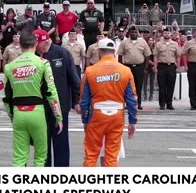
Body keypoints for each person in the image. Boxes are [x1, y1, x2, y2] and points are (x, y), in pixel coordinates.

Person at [3, 32, 63, 167]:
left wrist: (12, 116)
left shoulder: (9, 66)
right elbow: (51, 92)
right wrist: (58, 117)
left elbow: (6, 97)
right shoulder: (43, 63)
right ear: (36, 44)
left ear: (20, 45)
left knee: (19, 158)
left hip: (18, 112)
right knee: (41, 156)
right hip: (37, 112)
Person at [78, 38, 137, 167]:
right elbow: (132, 99)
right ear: (114, 52)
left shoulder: (90, 71)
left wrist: (85, 120)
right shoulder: (125, 71)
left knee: (91, 154)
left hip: (97, 116)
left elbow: (84, 100)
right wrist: (132, 121)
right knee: (111, 156)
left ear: (99, 52)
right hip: (117, 116)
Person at [34, 29, 80, 167]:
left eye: (37, 43)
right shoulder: (33, 55)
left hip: (60, 106)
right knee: (43, 145)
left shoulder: (62, 53)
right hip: (40, 108)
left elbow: (74, 79)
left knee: (61, 144)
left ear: (46, 40)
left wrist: (77, 102)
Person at [118, 26, 152, 110]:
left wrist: (146, 67)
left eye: (135, 32)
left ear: (138, 33)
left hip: (139, 66)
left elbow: (147, 55)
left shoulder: (143, 42)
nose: (134, 33)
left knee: (138, 85)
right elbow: (120, 55)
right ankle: (127, 103)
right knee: (127, 86)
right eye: (132, 32)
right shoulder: (124, 42)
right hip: (127, 67)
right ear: (129, 33)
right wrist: (121, 67)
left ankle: (138, 103)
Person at [153, 27, 181, 110]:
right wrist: (155, 67)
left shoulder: (175, 44)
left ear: (171, 34)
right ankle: (162, 104)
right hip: (161, 66)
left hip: (171, 66)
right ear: (163, 34)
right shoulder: (158, 44)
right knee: (162, 86)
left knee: (171, 86)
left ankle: (169, 103)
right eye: (165, 33)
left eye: (168, 33)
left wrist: (178, 67)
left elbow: (178, 56)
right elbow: (155, 56)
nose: (167, 34)